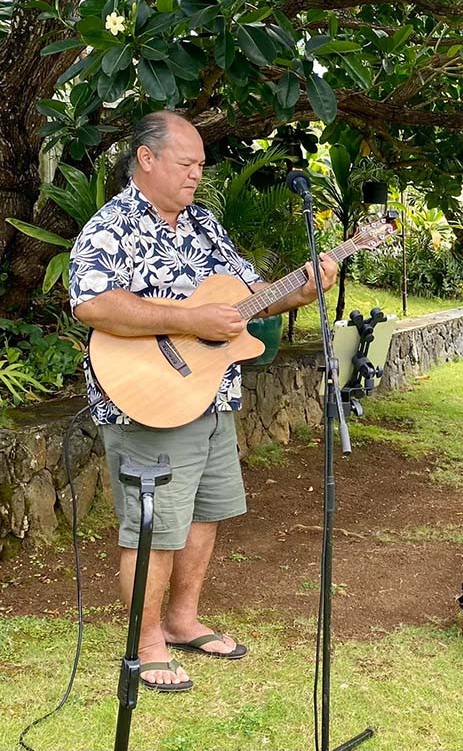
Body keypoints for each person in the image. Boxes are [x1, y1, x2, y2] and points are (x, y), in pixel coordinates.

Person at [68, 111, 338, 691]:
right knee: (154, 528)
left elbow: (249, 298)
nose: (196, 174)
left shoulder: (203, 224)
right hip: (151, 399)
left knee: (205, 513)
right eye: (186, 163)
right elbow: (93, 303)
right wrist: (189, 320)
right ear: (147, 159)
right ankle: (146, 645)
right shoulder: (111, 226)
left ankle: (182, 621)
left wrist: (302, 288)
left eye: (200, 166)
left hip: (212, 395)